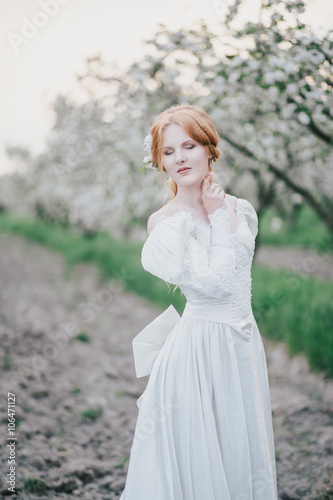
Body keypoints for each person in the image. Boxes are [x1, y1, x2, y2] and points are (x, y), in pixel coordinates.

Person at [119, 105, 277, 499]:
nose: (179, 158)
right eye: (168, 152)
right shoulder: (167, 223)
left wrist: (223, 213)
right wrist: (215, 217)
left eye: (188, 146)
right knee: (200, 455)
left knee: (242, 445)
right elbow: (216, 283)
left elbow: (239, 277)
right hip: (198, 349)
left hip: (242, 342)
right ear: (160, 162)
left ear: (209, 149)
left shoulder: (242, 209)